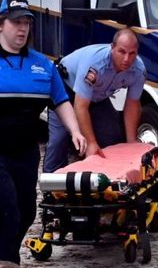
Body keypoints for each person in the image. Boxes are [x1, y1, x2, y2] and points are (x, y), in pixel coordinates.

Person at [0, 0, 86, 262]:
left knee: (25, 213)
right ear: (1, 24)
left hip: (25, 152)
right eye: (16, 22)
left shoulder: (42, 65)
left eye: (26, 22)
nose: (22, 28)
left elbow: (61, 102)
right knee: (4, 208)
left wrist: (75, 131)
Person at [42, 31, 145, 172]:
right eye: (122, 52)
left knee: (113, 135)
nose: (127, 59)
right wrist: (91, 143)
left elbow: (132, 105)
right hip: (66, 90)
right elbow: (81, 106)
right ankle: (51, 182)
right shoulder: (96, 64)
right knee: (60, 139)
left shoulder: (138, 70)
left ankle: (108, 178)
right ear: (112, 47)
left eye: (132, 53)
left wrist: (131, 140)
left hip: (97, 97)